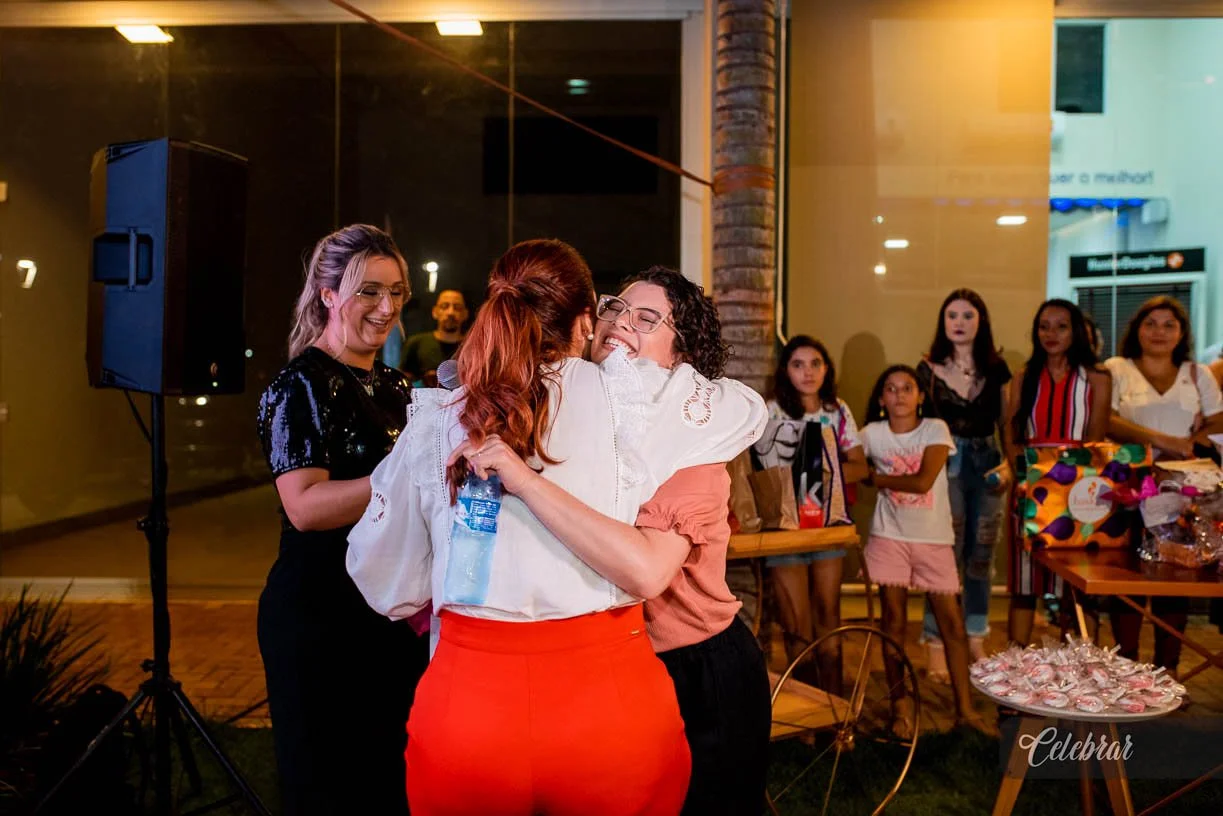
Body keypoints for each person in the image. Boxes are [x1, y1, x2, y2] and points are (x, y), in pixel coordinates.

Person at [345, 240, 767, 816]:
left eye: (646, 319)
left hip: (469, 702)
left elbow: (385, 581)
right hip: (606, 696)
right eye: (616, 309)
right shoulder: (636, 403)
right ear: (587, 320)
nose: (623, 327)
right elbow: (745, 408)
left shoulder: (439, 417)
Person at [255, 224, 429, 816]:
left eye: (397, 292)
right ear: (328, 294)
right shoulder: (300, 385)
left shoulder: (398, 386)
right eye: (369, 291)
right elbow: (305, 507)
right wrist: (405, 474)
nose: (386, 307)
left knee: (390, 783)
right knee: (328, 789)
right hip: (319, 617)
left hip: (389, 611)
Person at [860, 365, 990, 737]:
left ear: (920, 396)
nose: (899, 394)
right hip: (888, 537)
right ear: (881, 399)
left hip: (933, 539)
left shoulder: (935, 429)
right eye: (890, 388)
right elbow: (846, 463)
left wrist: (875, 478)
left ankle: (965, 709)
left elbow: (921, 482)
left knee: (952, 622)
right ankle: (899, 707)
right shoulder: (871, 434)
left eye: (907, 388)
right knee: (893, 623)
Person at [1104, 296, 1223, 673]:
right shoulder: (1117, 368)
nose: (1159, 332)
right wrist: (1164, 441)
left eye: (1169, 324)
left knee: (1174, 580)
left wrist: (1191, 444)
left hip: (1180, 492)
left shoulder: (1197, 373)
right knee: (1125, 579)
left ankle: (1167, 672)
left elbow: (1218, 421)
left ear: (1182, 333)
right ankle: (1125, 670)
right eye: (1150, 323)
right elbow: (1106, 419)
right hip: (1127, 487)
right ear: (1136, 329)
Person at [752, 335, 867, 691]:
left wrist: (818, 471)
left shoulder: (837, 410)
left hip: (827, 527)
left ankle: (835, 708)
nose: (808, 372)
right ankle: (806, 706)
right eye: (797, 364)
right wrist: (805, 474)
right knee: (795, 621)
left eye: (815, 363)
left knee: (828, 614)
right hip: (784, 530)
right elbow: (758, 471)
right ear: (785, 371)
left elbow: (861, 467)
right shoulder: (771, 410)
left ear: (827, 368)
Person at [916, 289, 1012, 681]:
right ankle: (936, 640)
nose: (959, 322)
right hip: (948, 463)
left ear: (981, 321)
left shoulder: (997, 369)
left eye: (968, 315)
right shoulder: (927, 369)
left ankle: (975, 635)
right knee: (944, 557)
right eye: (952, 315)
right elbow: (921, 425)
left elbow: (1006, 423)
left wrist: (1010, 465)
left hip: (988, 464)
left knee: (981, 556)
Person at [1004, 299, 1111, 646]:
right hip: (1030, 487)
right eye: (1044, 326)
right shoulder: (1024, 376)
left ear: (1075, 331)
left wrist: (1071, 483)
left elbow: (1095, 440)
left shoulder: (1097, 378)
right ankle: (1016, 668)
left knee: (1080, 586)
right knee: (1024, 586)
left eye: (1061, 326)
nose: (1051, 333)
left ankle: (1081, 668)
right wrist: (1025, 477)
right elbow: (1011, 432)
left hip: (1079, 489)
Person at [400, 288, 468, 385]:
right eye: (444, 306)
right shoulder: (415, 343)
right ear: (435, 312)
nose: (450, 312)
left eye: (457, 307)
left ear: (465, 314)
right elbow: (402, 380)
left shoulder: (473, 346)